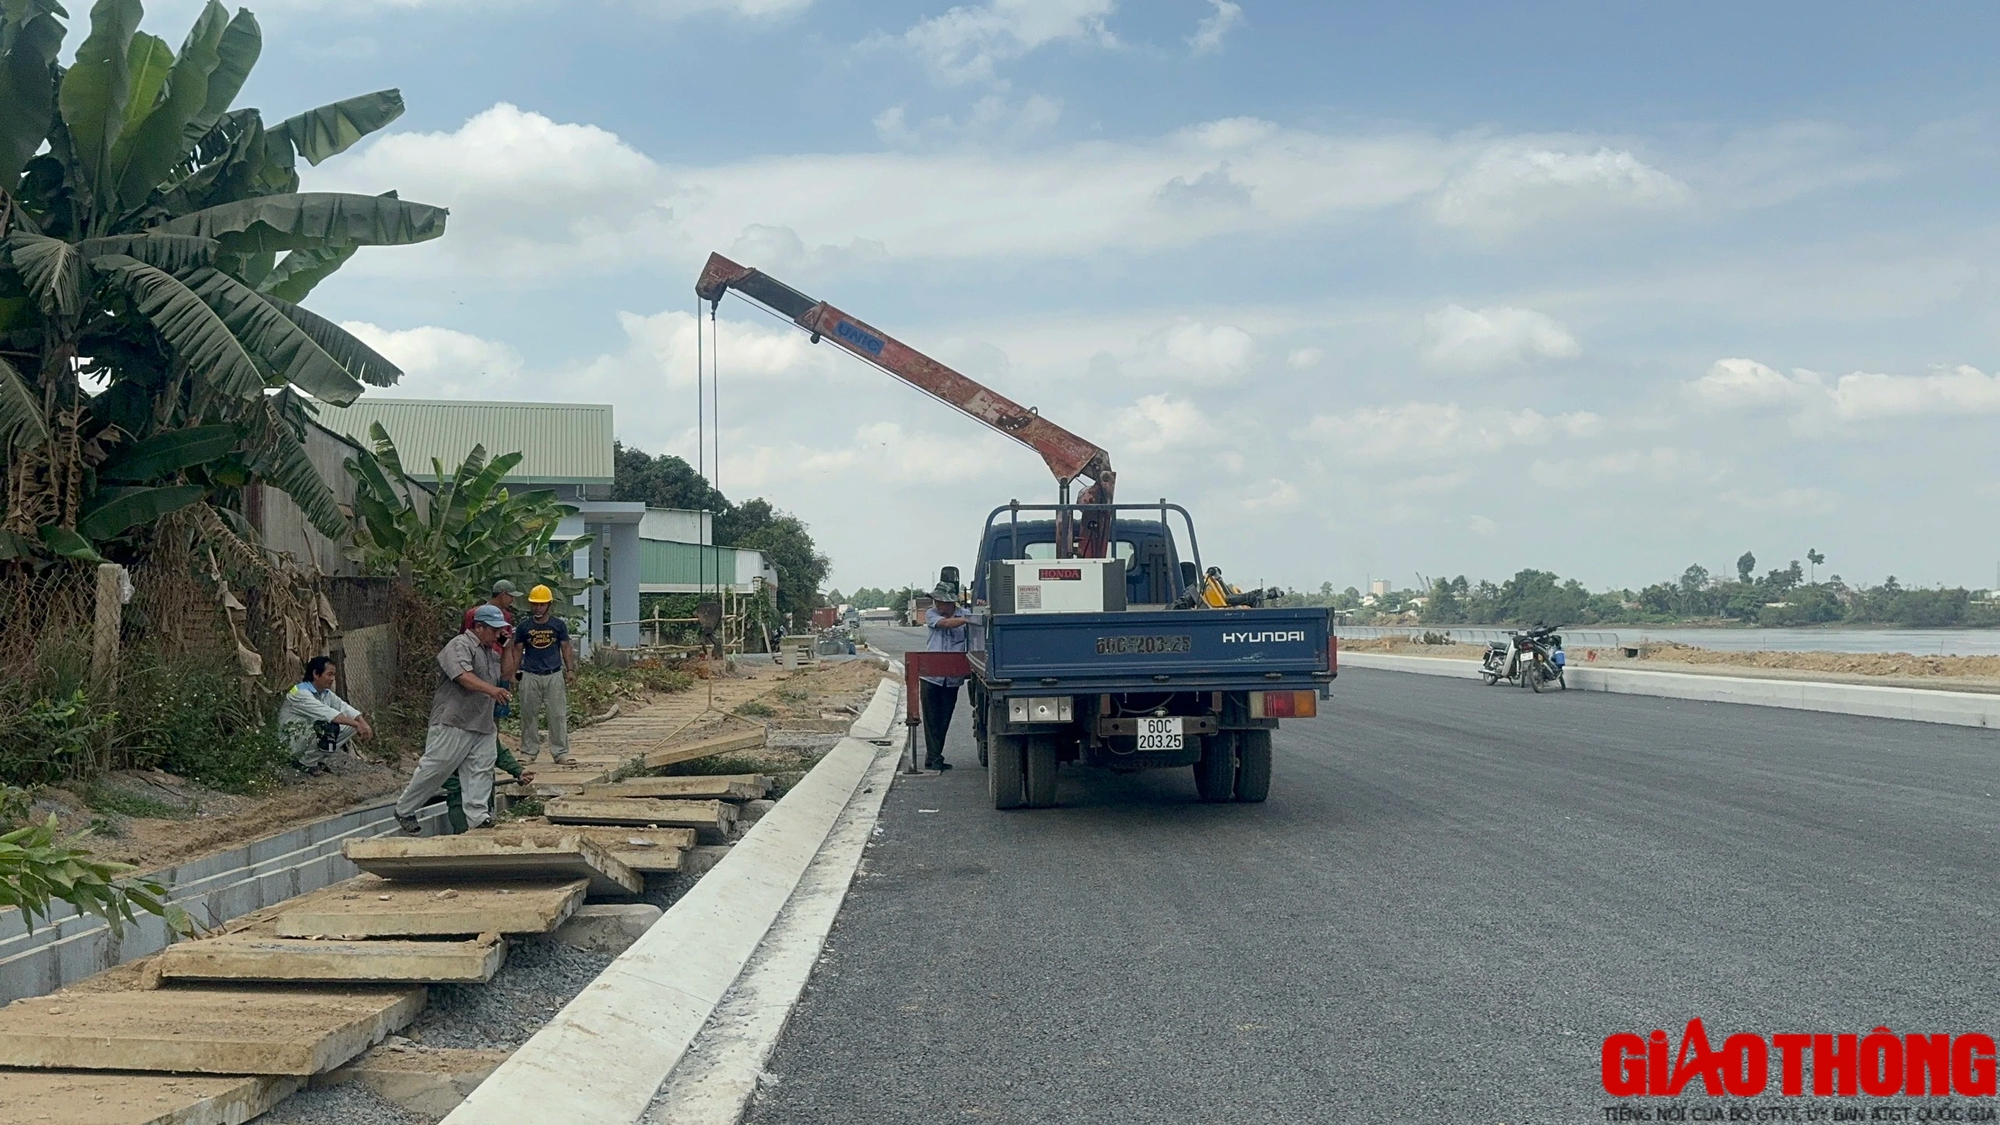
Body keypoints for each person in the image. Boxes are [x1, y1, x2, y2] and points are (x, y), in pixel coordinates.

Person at [394, 604, 512, 835]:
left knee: (481, 768)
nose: (498, 634)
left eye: (501, 630)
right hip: (454, 720)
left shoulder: (490, 652)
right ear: (478, 627)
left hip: (481, 722)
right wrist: (492, 690)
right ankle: (404, 808)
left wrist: (506, 648)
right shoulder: (459, 645)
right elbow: (463, 677)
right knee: (436, 768)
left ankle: (478, 816)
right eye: (494, 630)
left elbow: (507, 674)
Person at [508, 585, 576, 764]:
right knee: (528, 714)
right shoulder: (524, 626)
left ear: (549, 605)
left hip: (553, 674)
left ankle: (560, 752)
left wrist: (570, 670)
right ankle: (528, 752)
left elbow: (565, 647)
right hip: (530, 674)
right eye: (535, 604)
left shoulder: (558, 625)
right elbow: (517, 650)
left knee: (557, 714)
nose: (538, 608)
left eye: (541, 604)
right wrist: (513, 673)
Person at [278, 656, 372, 774]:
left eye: (333, 675)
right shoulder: (300, 693)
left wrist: (362, 723)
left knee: (350, 726)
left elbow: (345, 708)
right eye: (329, 674)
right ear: (316, 674)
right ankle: (304, 763)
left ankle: (318, 761)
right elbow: (329, 714)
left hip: (306, 734)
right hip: (292, 739)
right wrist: (357, 724)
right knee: (327, 727)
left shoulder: (325, 693)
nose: (332, 679)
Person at [920, 576, 970, 771]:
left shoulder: (964, 614)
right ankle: (934, 757)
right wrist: (967, 620)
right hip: (931, 676)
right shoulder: (931, 614)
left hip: (952, 678)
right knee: (931, 719)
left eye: (941, 602)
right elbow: (945, 624)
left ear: (951, 602)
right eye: (937, 601)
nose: (938, 605)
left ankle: (933, 756)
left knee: (944, 719)